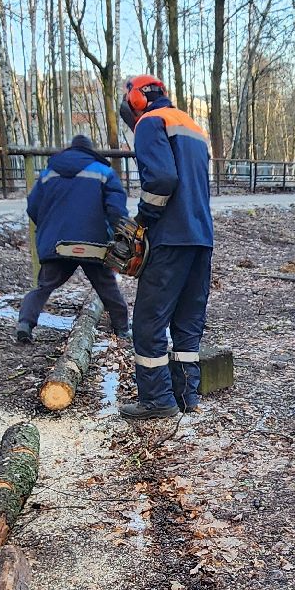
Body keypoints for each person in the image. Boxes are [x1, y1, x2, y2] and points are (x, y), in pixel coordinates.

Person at [117, 74, 213, 420]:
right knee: (187, 321)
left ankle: (157, 400)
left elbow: (162, 179)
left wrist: (144, 218)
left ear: (137, 100)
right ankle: (186, 395)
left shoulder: (150, 123)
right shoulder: (191, 125)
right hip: (201, 237)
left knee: (148, 321)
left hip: (171, 236)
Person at [16, 134, 132, 344]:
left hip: (57, 243)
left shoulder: (47, 173)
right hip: (93, 243)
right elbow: (116, 211)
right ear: (91, 151)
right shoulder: (104, 172)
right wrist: (121, 237)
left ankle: (25, 323)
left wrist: (50, 229)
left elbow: (33, 207)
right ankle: (122, 328)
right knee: (106, 285)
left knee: (44, 286)